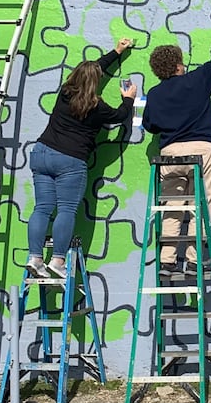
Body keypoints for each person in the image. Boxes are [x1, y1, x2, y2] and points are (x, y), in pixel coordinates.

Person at [24, 37, 138, 279]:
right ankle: (57, 260)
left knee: (42, 208)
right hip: (70, 161)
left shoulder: (64, 93)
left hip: (42, 152)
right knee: (66, 209)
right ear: (96, 82)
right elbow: (120, 116)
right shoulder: (97, 107)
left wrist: (116, 51)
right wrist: (129, 98)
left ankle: (35, 257)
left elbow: (91, 69)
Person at [143, 26, 211, 272]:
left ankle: (167, 261)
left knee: (172, 206)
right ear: (179, 65)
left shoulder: (155, 93)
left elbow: (150, 125)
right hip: (202, 151)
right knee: (205, 202)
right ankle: (193, 259)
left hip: (169, 154)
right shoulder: (198, 79)